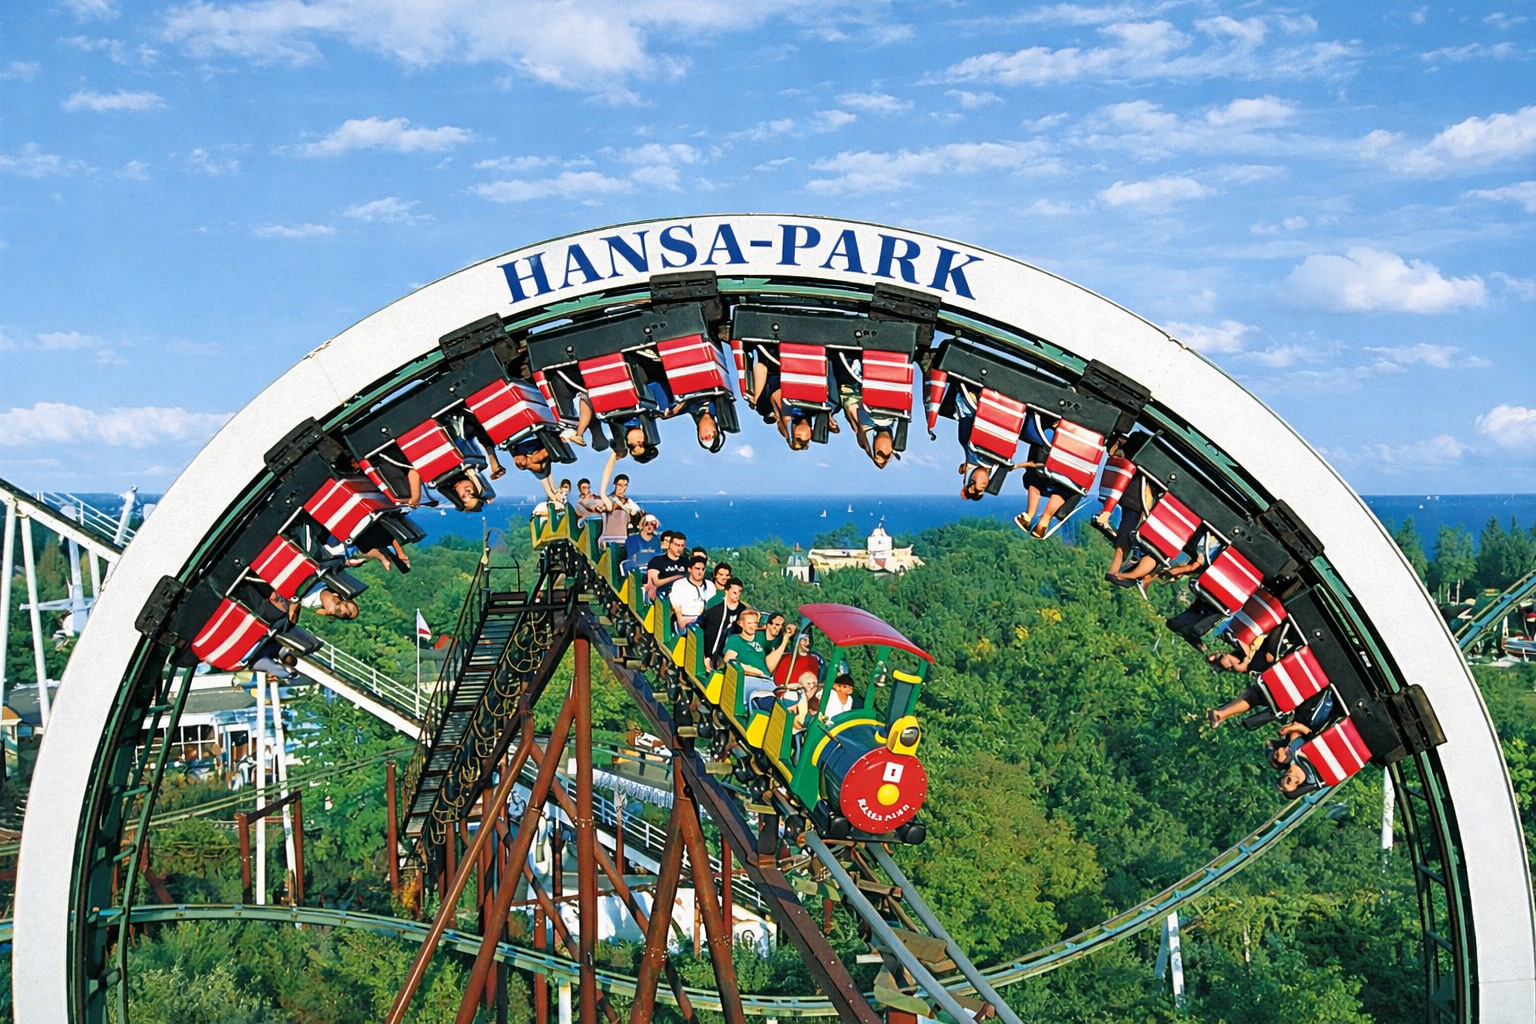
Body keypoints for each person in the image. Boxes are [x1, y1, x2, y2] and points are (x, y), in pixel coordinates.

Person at [723, 608, 777, 710]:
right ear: (741, 624)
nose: (753, 626)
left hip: (767, 680)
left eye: (755, 623)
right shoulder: (736, 639)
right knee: (763, 700)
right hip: (748, 679)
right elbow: (729, 660)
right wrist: (753, 671)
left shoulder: (761, 640)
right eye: (749, 623)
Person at [698, 577, 745, 670]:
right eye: (734, 592)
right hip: (712, 651)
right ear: (727, 591)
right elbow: (704, 630)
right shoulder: (716, 609)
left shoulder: (742, 611)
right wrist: (704, 656)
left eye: (740, 592)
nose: (737, 596)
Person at [669, 556, 716, 629]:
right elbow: (676, 607)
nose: (700, 572)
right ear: (689, 569)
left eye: (703, 569)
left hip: (704, 621)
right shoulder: (679, 584)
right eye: (697, 569)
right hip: (684, 620)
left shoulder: (710, 585)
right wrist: (681, 621)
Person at [645, 531, 690, 602]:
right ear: (670, 544)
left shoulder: (686, 562)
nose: (679, 548)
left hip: (683, 596)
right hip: (662, 597)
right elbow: (655, 583)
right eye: (677, 545)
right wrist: (678, 577)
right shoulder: (657, 561)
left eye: (682, 546)